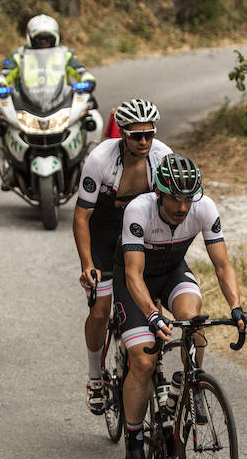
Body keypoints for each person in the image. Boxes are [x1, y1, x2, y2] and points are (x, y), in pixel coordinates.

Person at [114, 153, 247, 459]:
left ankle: (193, 385)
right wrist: (152, 315)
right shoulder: (139, 211)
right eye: (175, 198)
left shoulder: (204, 208)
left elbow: (222, 265)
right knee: (144, 361)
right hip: (134, 279)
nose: (182, 207)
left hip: (172, 272)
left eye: (188, 199)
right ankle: (134, 442)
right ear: (159, 193)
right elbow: (133, 274)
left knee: (193, 321)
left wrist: (237, 307)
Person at [73, 98, 173, 414]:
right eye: (136, 135)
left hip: (140, 231)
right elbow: (81, 217)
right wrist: (87, 265)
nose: (144, 141)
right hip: (104, 233)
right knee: (101, 310)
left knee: (151, 300)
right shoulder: (100, 159)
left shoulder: (162, 157)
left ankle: (154, 369)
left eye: (149, 134)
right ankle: (94, 376)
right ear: (123, 134)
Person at [0, 14, 96, 94]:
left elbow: (80, 71)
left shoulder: (65, 54)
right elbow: (5, 74)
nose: (43, 43)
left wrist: (88, 80)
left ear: (55, 38)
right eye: (39, 39)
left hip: (62, 103)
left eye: (48, 39)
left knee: (89, 108)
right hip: (25, 105)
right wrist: (0, 84)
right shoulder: (19, 55)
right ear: (31, 39)